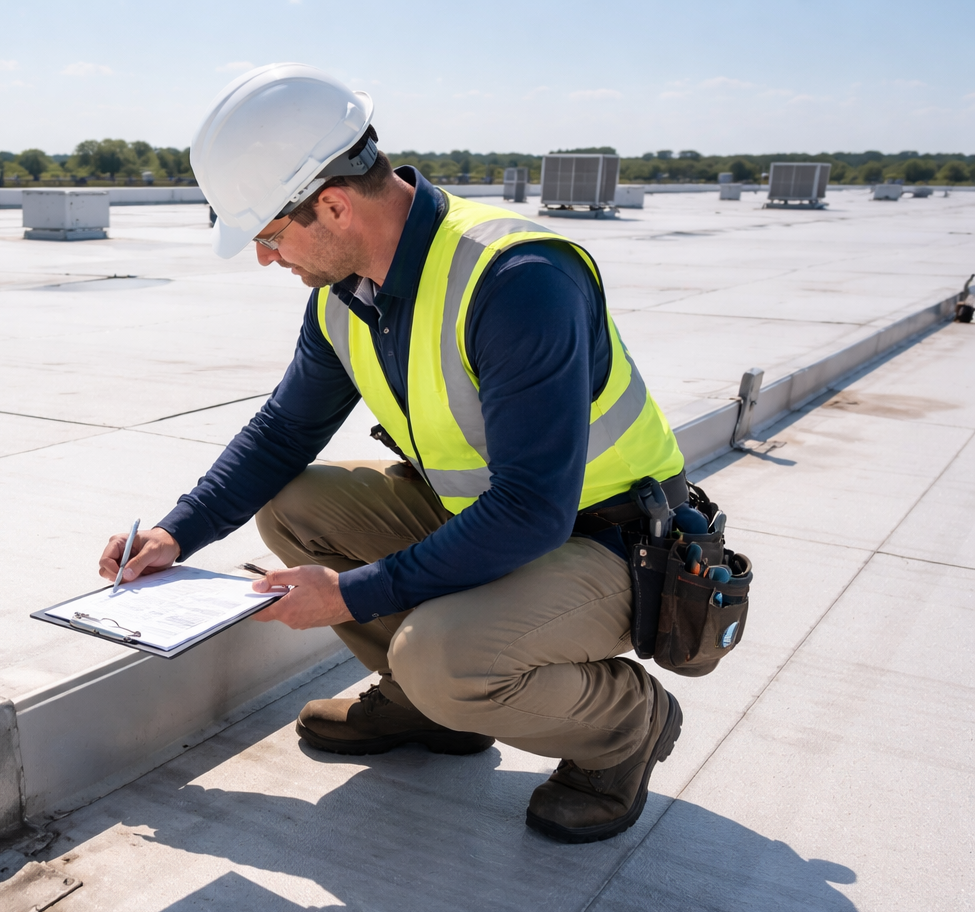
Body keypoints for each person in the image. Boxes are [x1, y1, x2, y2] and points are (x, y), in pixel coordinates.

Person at [97, 64, 688, 844]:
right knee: (297, 503)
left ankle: (624, 728)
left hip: (609, 542)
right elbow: (282, 433)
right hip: (494, 519)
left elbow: (533, 509)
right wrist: (179, 531)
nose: (269, 260)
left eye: (271, 236)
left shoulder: (518, 280)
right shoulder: (345, 297)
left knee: (446, 657)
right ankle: (426, 709)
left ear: (333, 204)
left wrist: (347, 595)